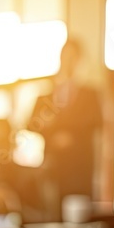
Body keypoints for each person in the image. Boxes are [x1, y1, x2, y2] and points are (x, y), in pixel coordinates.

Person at [27, 38, 103, 204]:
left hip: (80, 168)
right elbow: (30, 124)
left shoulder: (90, 95)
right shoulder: (46, 95)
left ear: (79, 60)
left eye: (73, 57)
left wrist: (69, 136)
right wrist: (50, 130)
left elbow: (97, 122)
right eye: (66, 56)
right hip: (53, 166)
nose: (69, 62)